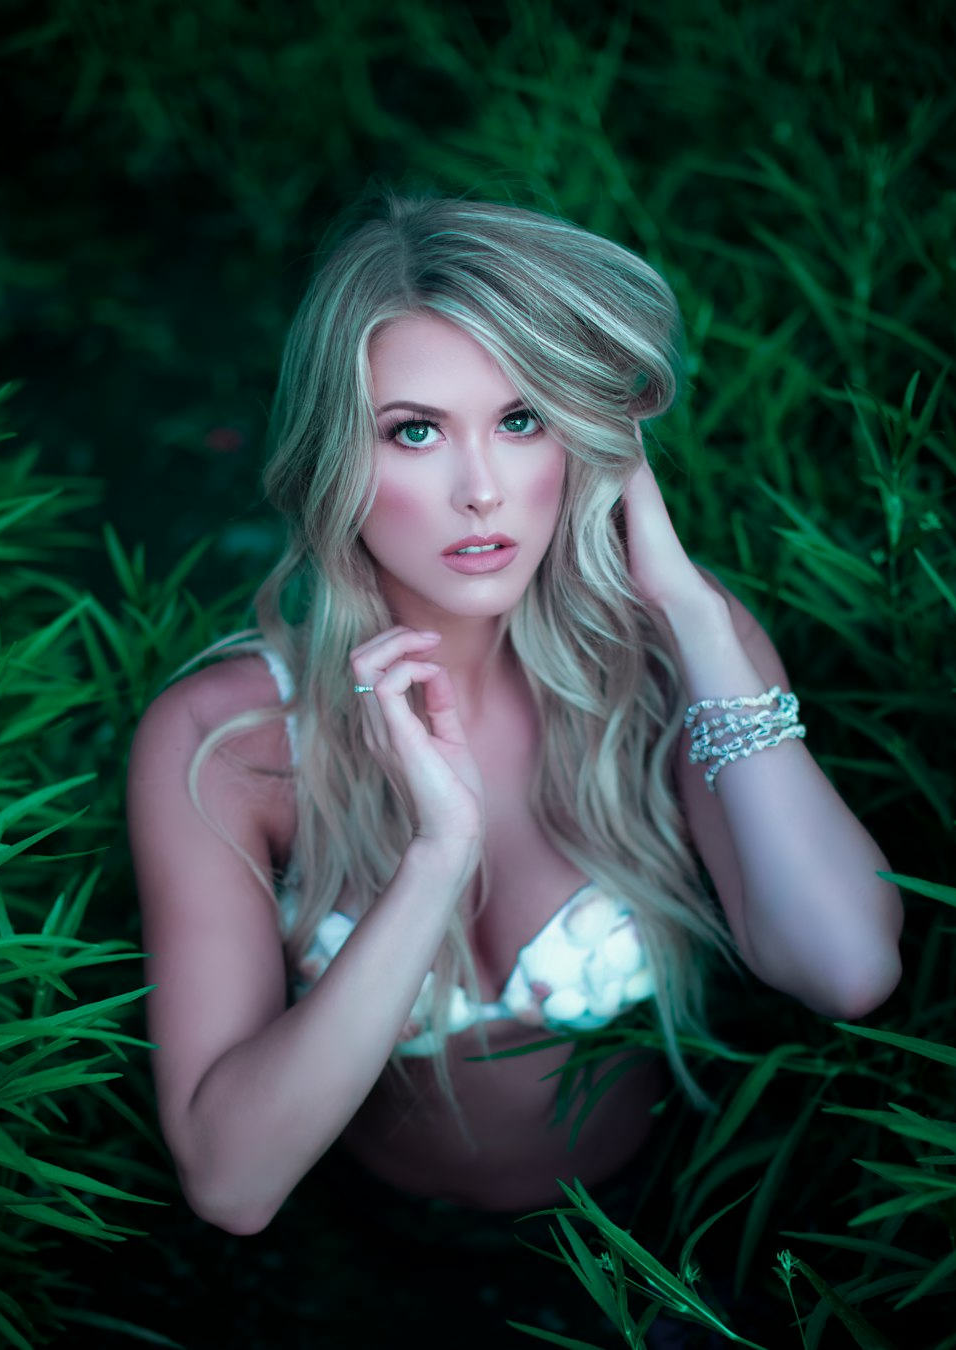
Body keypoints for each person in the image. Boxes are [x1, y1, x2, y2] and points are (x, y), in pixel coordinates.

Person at [126, 191, 903, 1241]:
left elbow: (847, 970)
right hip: (375, 1252)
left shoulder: (678, 654)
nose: (481, 490)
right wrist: (438, 855)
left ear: (586, 444)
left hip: (662, 1231)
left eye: (522, 419)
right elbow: (232, 1184)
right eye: (414, 431)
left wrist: (693, 618)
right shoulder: (225, 740)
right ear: (335, 457)